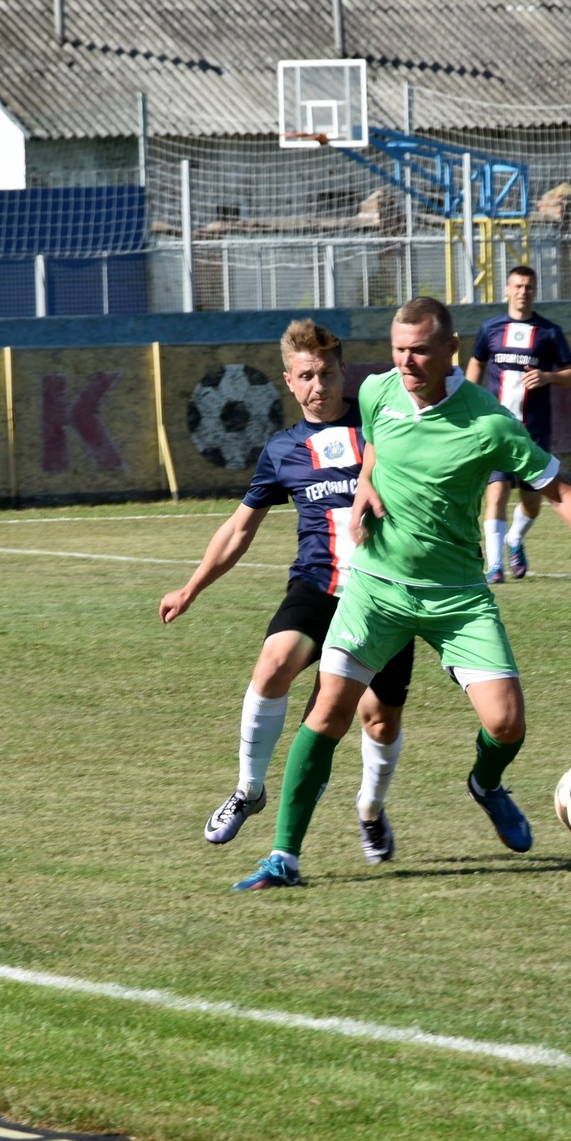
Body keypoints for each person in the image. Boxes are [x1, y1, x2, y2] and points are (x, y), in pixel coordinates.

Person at [232, 296, 571, 892]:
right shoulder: (378, 391)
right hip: (376, 589)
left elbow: (558, 489)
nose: (407, 362)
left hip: (456, 596)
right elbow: (376, 444)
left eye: (420, 350)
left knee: (506, 723)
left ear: (451, 350)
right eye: (399, 350)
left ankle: (486, 784)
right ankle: (284, 857)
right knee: (329, 711)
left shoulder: (488, 422)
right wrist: (366, 484)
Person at [161, 319, 416, 866]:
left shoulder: (381, 427)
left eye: (326, 374)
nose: (318, 386)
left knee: (379, 719)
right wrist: (192, 587)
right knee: (273, 663)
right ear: (289, 381)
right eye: (306, 376)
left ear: (344, 371)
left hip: (384, 594)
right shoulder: (282, 450)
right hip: (318, 586)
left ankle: (370, 809)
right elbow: (239, 528)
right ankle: (248, 789)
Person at [466, 265, 571, 584]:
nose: (522, 292)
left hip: (534, 428)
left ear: (535, 291)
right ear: (507, 289)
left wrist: (549, 376)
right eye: (517, 286)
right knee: (496, 493)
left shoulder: (549, 332)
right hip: (496, 427)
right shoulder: (490, 329)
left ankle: (515, 538)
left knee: (532, 502)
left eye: (528, 287)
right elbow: (476, 363)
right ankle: (495, 566)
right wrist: (467, 403)